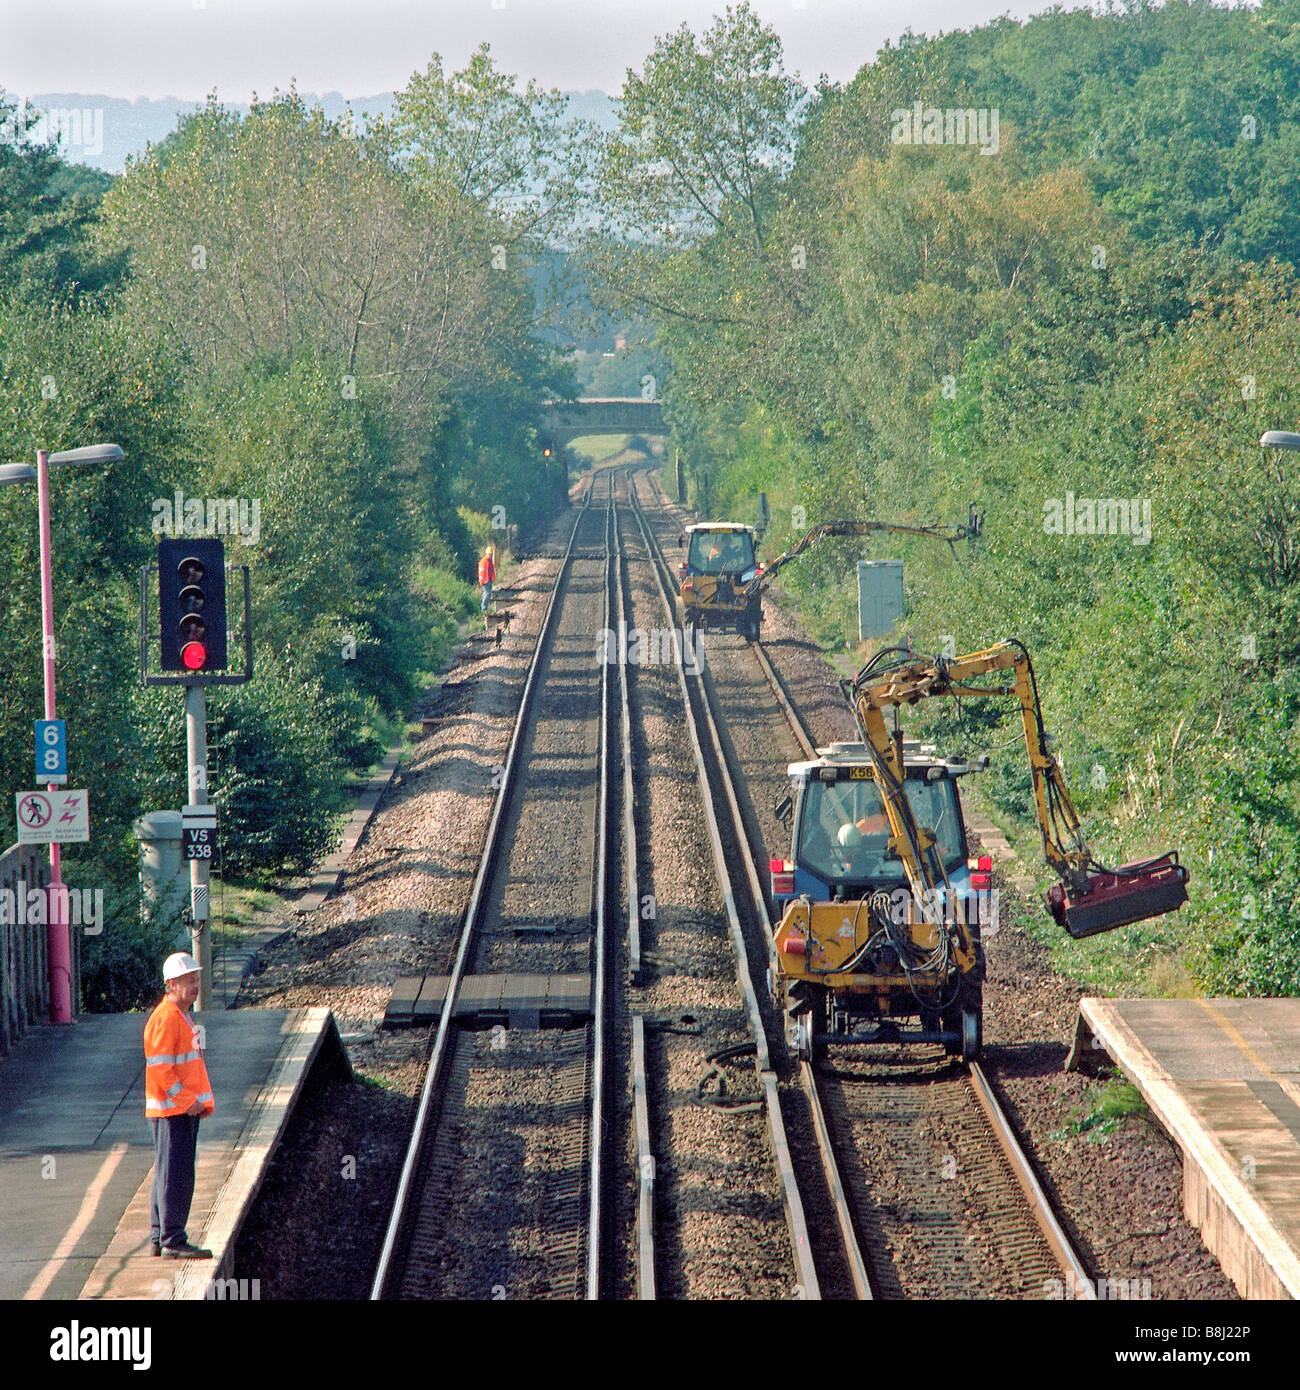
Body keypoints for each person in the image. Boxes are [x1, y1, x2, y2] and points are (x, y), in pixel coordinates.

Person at [144, 952, 215, 1258]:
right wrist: (188, 1102)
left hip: (177, 1110)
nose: (195, 985)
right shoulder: (167, 1018)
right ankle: (172, 1238)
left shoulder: (179, 1015)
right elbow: (160, 1068)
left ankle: (160, 1236)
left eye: (197, 979)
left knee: (167, 1171)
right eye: (189, 980)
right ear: (171, 984)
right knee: (176, 1174)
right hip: (174, 1111)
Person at [478, 546, 497, 632]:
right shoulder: (483, 562)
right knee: (487, 594)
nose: (490, 555)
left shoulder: (489, 561)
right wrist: (483, 580)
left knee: (486, 594)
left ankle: (484, 607)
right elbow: (482, 572)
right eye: (489, 554)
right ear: (487, 553)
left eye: (491, 554)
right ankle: (483, 608)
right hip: (485, 580)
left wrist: (492, 578)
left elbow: (491, 570)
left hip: (488, 579)